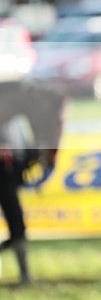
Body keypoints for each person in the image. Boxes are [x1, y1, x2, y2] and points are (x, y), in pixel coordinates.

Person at [0, 115, 39, 285]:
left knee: (16, 222)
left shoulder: (18, 120)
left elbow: (23, 148)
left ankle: (25, 274)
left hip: (9, 175)